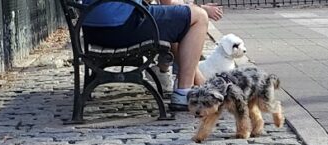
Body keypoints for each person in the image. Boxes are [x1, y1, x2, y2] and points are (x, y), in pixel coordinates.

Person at [81, 0, 224, 111]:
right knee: (198, 17)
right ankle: (184, 92)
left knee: (175, 21)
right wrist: (200, 8)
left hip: (92, 29)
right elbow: (167, 3)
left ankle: (202, 84)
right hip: (122, 26)